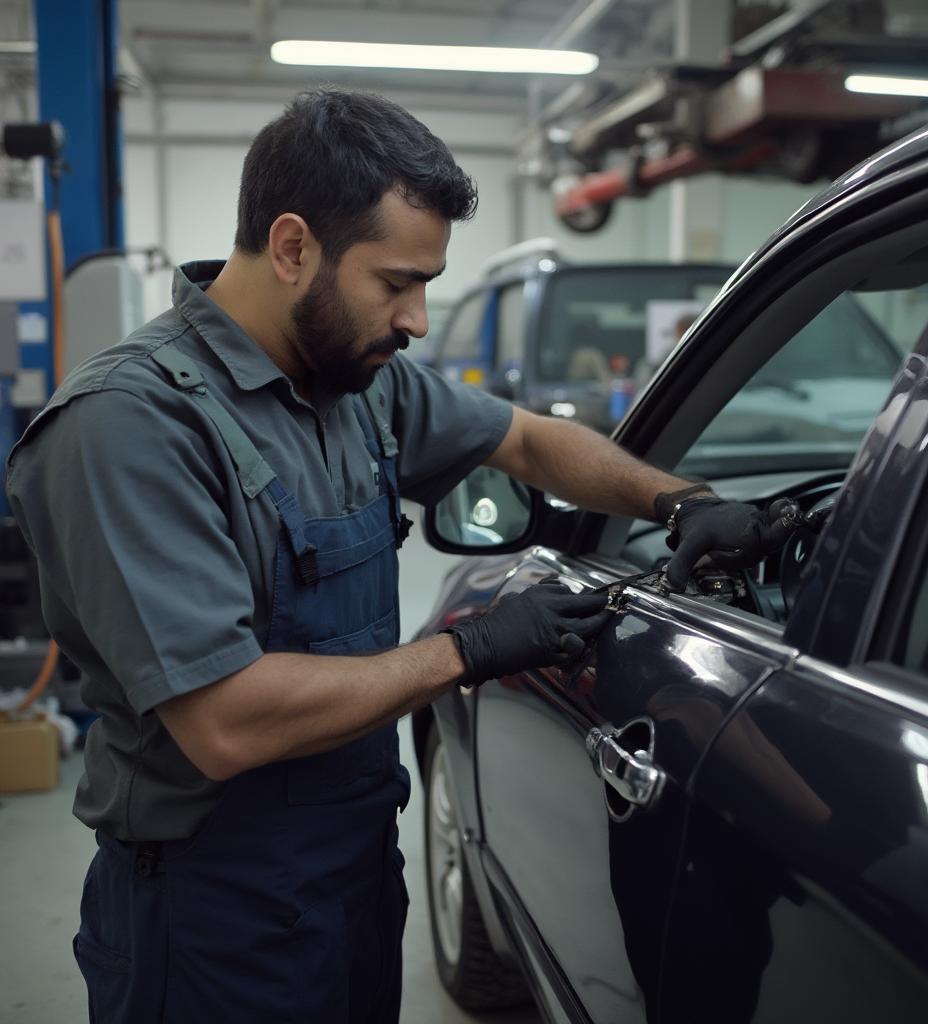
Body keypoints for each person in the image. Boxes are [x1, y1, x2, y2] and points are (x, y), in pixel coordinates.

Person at [4, 87, 795, 1024]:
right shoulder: (131, 429)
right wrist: (469, 649)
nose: (417, 319)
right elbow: (226, 724)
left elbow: (532, 442)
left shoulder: (356, 383)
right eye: (397, 282)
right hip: (211, 914)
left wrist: (682, 501)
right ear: (293, 247)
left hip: (355, 875)